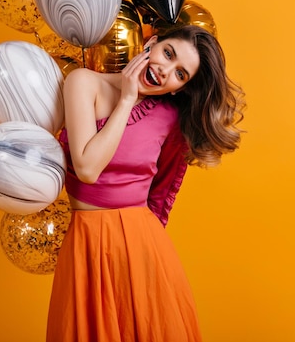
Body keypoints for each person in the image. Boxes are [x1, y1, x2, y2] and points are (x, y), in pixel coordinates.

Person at [46, 25, 245, 342]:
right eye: (168, 53)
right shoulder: (83, 83)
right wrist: (126, 99)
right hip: (85, 242)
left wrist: (145, 261)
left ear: (180, 88)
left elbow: (160, 196)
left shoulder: (170, 119)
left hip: (142, 248)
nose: (165, 71)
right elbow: (86, 167)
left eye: (180, 74)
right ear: (151, 43)